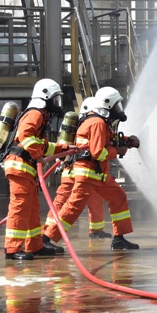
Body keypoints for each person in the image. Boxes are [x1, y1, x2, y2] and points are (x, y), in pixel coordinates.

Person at [48, 86, 141, 251]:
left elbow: (109, 139)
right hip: (88, 173)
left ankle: (119, 238)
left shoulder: (100, 121)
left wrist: (127, 141)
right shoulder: (97, 122)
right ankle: (47, 237)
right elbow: (98, 152)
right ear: (108, 104)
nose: (118, 110)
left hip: (98, 174)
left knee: (119, 197)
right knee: (73, 206)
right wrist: (117, 151)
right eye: (117, 106)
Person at [3, 78, 71, 261]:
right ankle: (12, 249)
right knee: (20, 208)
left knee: (32, 209)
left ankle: (34, 245)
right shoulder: (35, 114)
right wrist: (37, 153)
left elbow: (41, 144)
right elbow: (26, 136)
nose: (57, 104)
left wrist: (61, 149)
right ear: (46, 97)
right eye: (55, 99)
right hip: (19, 167)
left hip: (26, 169)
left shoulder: (41, 116)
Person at [42, 97, 112, 248]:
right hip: (74, 169)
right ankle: (48, 232)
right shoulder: (89, 125)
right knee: (66, 202)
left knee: (92, 198)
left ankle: (96, 229)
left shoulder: (80, 125)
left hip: (76, 170)